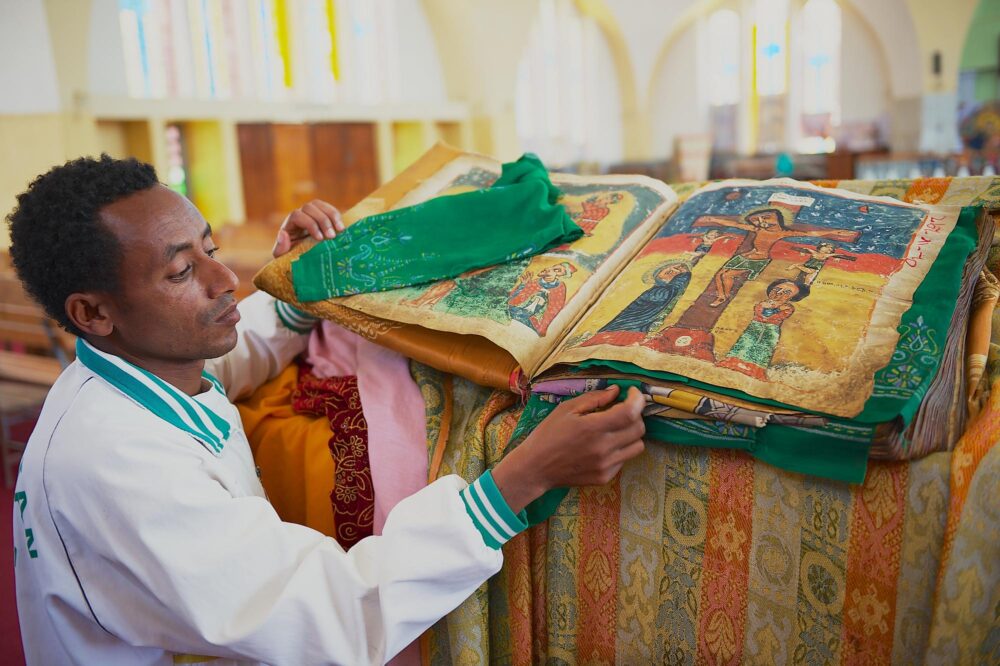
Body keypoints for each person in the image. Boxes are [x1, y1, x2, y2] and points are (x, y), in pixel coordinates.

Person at [8, 155, 646, 666]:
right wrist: (517, 481)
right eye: (181, 272)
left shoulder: (128, 370)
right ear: (92, 312)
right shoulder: (116, 463)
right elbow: (329, 616)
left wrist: (300, 291)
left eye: (210, 246)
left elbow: (230, 359)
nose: (226, 279)